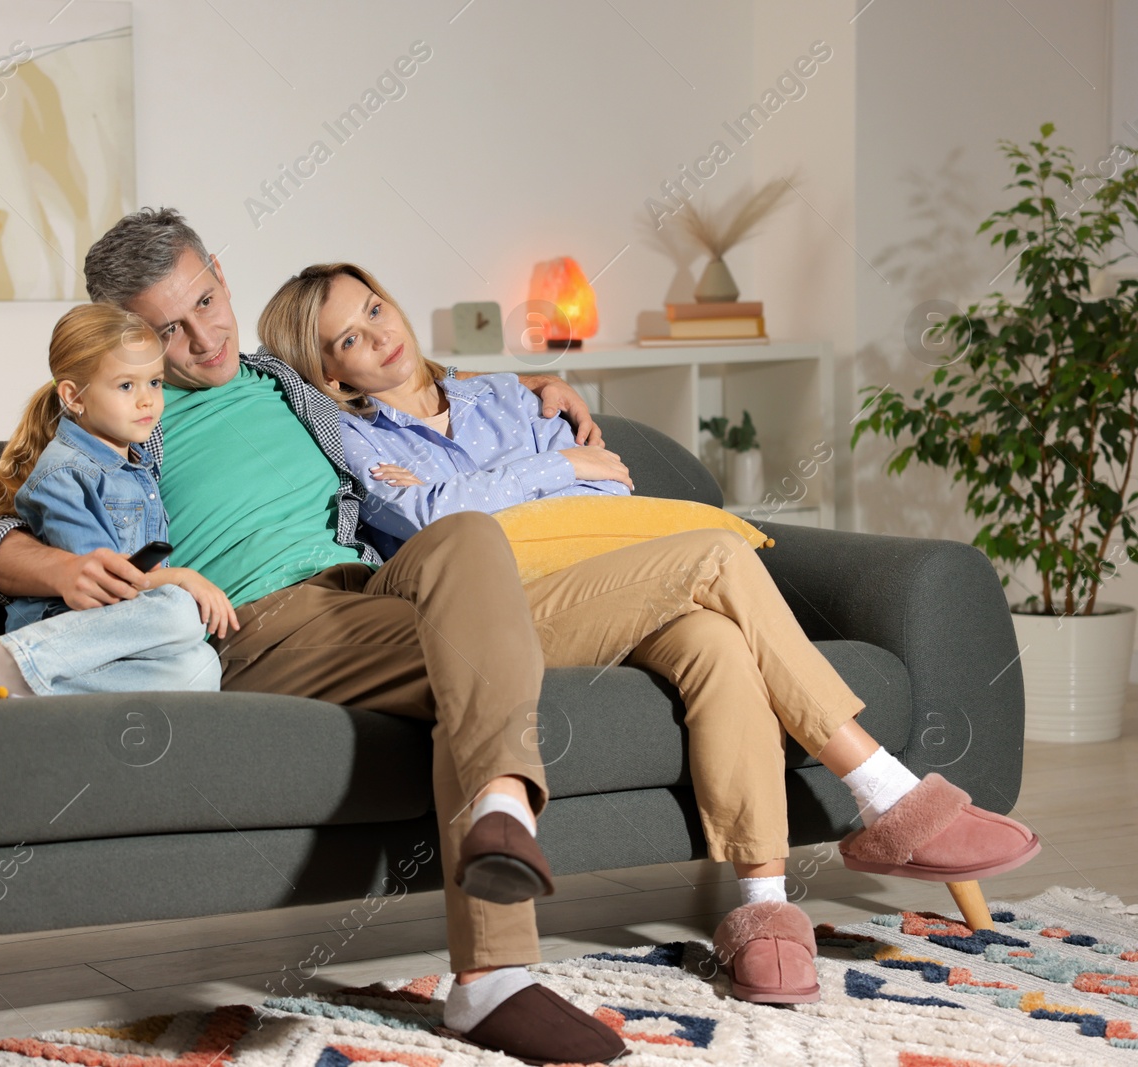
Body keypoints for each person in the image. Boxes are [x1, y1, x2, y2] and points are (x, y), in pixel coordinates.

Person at [257, 260, 1045, 1006]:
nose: (377, 332)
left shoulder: (505, 393)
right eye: (348, 339)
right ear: (333, 374)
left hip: (610, 579)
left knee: (717, 642)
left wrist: (520, 472)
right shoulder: (358, 440)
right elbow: (439, 517)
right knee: (716, 553)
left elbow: (607, 485)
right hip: (503, 611)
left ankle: (764, 912)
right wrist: (558, 467)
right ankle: (888, 796)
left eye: (372, 308)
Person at [0, 208, 633, 1065]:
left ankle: (500, 808)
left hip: (365, 584)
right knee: (476, 666)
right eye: (169, 330)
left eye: (208, 299)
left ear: (223, 277)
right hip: (266, 622)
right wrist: (55, 570)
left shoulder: (280, 376)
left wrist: (533, 388)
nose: (204, 337)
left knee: (466, 538)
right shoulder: (117, 408)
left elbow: (402, 380)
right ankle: (494, 972)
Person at [0, 303, 233, 696]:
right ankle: (23, 657)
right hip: (72, 625)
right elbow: (102, 578)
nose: (147, 401)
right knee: (181, 610)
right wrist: (180, 577)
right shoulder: (65, 473)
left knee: (202, 667)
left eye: (155, 383)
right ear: (74, 397)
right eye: (127, 386)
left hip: (117, 632)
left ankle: (30, 687)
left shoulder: (136, 466)